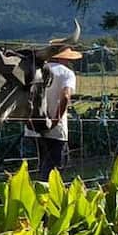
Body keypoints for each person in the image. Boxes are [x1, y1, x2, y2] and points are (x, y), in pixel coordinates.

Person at [24, 43, 81, 180]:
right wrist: (56, 120)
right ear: (63, 58)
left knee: (42, 162)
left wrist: (28, 119)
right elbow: (66, 96)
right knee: (55, 168)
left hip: (33, 127)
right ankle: (46, 197)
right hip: (56, 130)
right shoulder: (67, 73)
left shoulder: (36, 70)